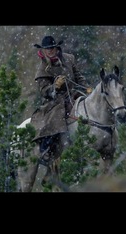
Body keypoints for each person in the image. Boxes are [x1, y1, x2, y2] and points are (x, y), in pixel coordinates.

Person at [30, 35, 91, 165]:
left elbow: (78, 76)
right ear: (43, 50)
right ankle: (47, 149)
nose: (50, 51)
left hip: (74, 94)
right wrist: (54, 87)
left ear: (56, 47)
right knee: (55, 119)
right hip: (54, 101)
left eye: (52, 48)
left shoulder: (69, 58)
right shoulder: (42, 68)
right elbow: (43, 90)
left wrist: (86, 88)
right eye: (47, 49)